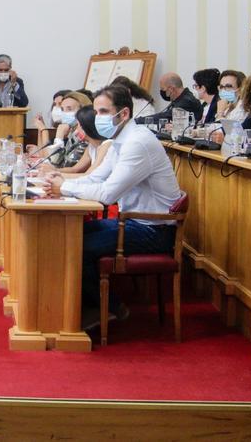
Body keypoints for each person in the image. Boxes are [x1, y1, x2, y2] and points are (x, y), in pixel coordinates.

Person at [48, 84, 183, 324]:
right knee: (65, 234)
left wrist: (65, 187)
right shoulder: (120, 138)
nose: (96, 118)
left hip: (153, 229)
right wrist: (60, 182)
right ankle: (84, 308)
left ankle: (108, 309)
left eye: (102, 112)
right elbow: (96, 178)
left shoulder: (137, 143)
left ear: (123, 114)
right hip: (131, 222)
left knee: (75, 246)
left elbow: (108, 194)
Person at [36, 91, 91, 170]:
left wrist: (59, 137)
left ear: (83, 112)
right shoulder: (72, 134)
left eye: (69, 109)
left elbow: (56, 164)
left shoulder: (85, 137)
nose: (64, 113)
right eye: (62, 109)